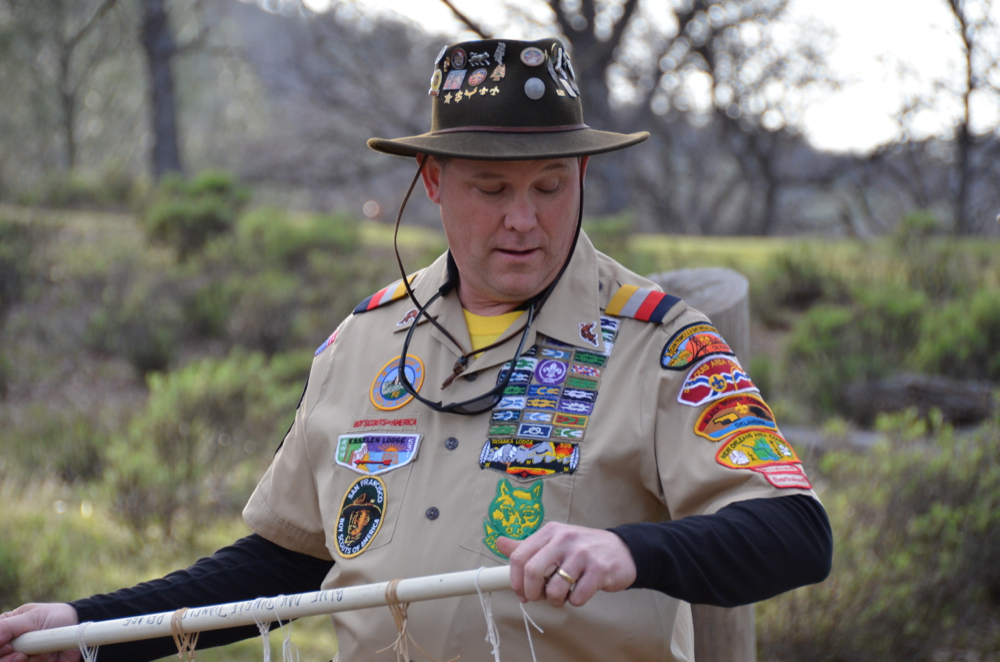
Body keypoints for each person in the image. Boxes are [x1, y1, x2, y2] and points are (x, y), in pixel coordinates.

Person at [0, 37, 831, 662]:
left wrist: (626, 551)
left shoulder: (661, 343)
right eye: (491, 188)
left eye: (551, 186)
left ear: (582, 176)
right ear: (433, 181)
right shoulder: (363, 342)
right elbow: (288, 562)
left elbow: (795, 532)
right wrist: (87, 628)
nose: (524, 220)